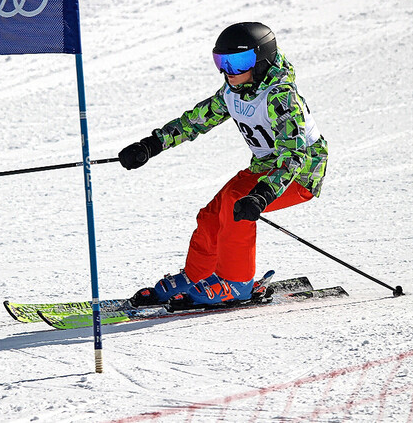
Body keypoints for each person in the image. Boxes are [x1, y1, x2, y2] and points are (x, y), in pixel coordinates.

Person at [118, 22, 328, 306]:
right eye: (222, 62)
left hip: (300, 174)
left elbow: (293, 156)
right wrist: (151, 145)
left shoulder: (281, 98)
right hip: (265, 167)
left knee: (235, 204)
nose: (229, 71)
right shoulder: (234, 91)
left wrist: (263, 194)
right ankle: (198, 275)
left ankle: (236, 282)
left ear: (261, 61)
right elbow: (196, 120)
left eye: (239, 62)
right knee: (211, 214)